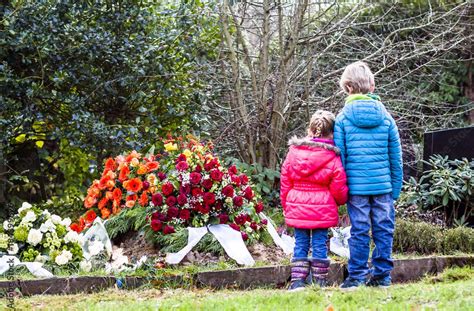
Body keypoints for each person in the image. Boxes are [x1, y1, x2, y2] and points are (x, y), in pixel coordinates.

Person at [334, 61, 403, 290]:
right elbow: (396, 156)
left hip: (357, 189)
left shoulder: (343, 119)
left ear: (348, 88)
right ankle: (382, 276)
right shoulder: (386, 117)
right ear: (372, 86)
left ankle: (356, 276)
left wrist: (341, 190)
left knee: (359, 230)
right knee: (384, 229)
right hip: (383, 187)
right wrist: (395, 187)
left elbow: (339, 159)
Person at [280, 110, 348, 291]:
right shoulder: (333, 156)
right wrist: (339, 201)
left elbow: (285, 180)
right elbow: (338, 185)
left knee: (300, 243)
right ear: (332, 133)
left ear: (310, 130)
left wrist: (286, 203)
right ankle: (319, 281)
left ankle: (297, 282)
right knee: (319, 243)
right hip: (322, 206)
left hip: (298, 202)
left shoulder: (294, 152)